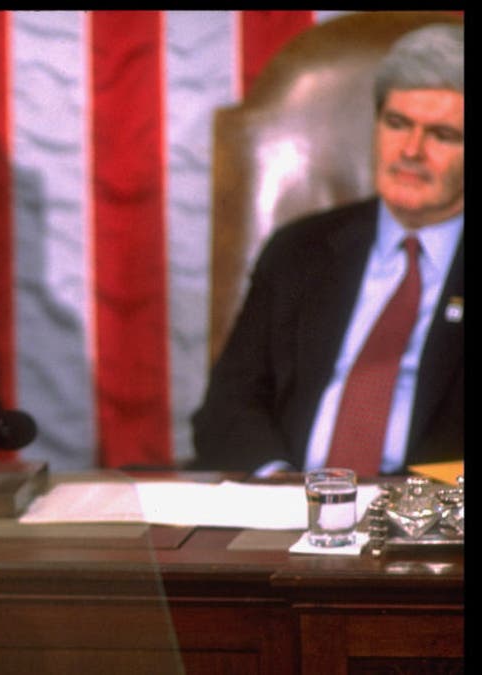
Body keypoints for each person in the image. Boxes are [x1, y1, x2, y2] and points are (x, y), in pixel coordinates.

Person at [191, 23, 463, 477]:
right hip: (287, 508)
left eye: (442, 134)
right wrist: (276, 484)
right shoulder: (301, 250)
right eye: (397, 123)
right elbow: (226, 410)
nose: (411, 150)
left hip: (431, 528)